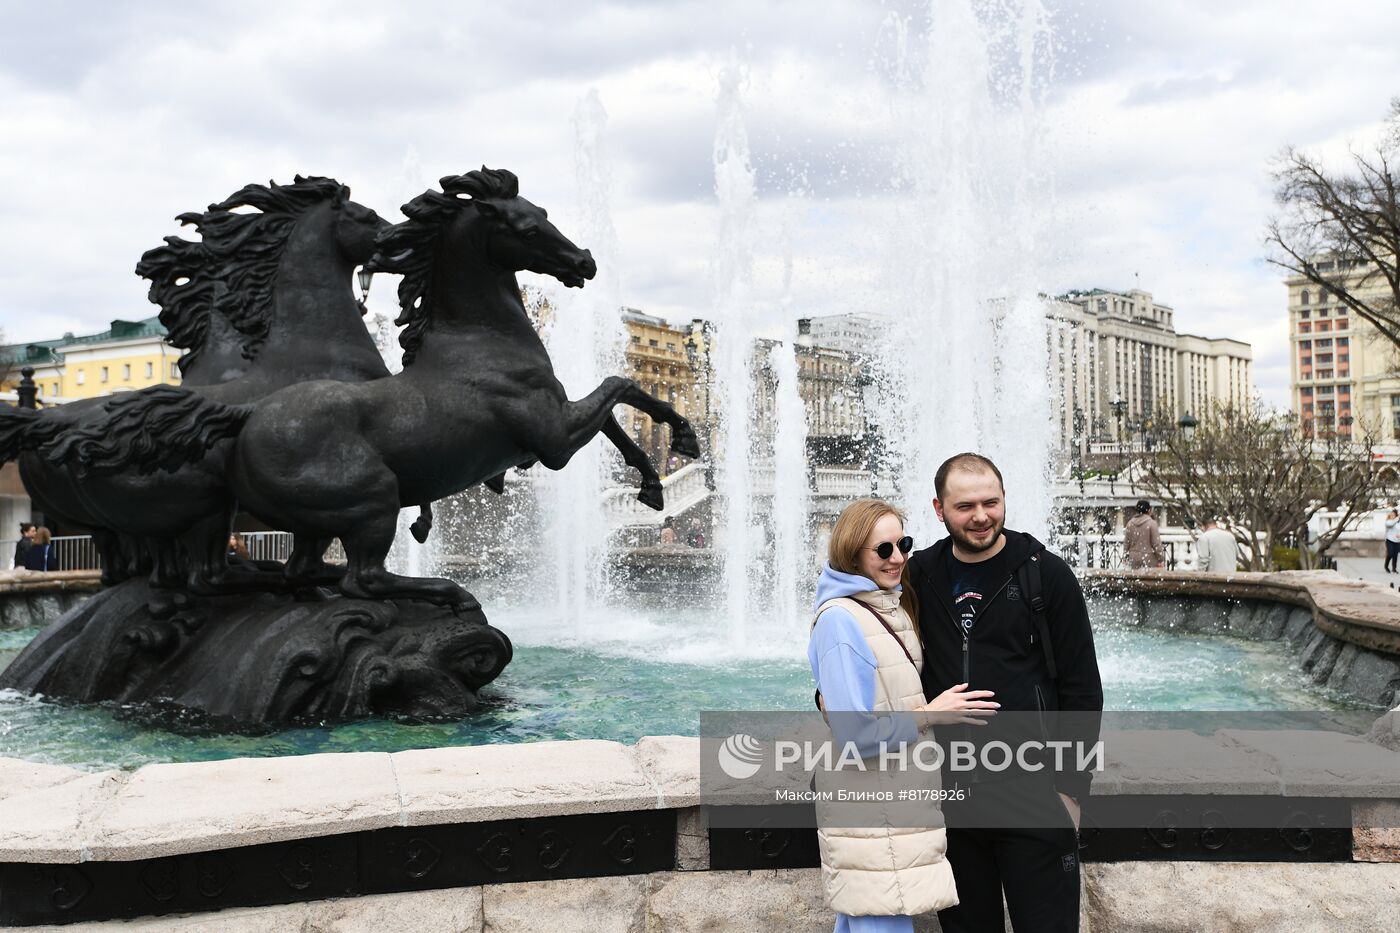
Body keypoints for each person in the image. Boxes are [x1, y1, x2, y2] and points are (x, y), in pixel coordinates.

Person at [906, 453, 1103, 933]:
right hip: (949, 798)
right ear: (939, 509)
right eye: (965, 506)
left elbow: (1082, 689)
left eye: (991, 502)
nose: (980, 516)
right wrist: (829, 696)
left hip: (1031, 795)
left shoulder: (1045, 574)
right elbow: (874, 648)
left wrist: (1071, 791)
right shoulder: (918, 575)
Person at [809, 498, 995, 932]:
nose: (898, 558)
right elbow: (855, 735)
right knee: (878, 919)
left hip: (893, 802)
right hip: (873, 808)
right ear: (853, 554)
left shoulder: (888, 607)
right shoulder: (841, 620)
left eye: (904, 544)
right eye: (884, 550)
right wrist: (930, 714)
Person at [1123, 499, 1164, 569]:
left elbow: (1126, 543)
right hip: (1149, 558)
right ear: (1148, 510)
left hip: (1133, 558)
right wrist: (1160, 559)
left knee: (1135, 579)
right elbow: (1156, 543)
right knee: (1149, 579)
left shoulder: (1130, 523)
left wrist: (1125, 556)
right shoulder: (1152, 523)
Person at [1385, 504, 1399, 575]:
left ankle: (1394, 569)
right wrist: (1398, 518)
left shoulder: (1398, 523)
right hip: (1389, 540)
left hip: (1397, 541)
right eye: (1391, 515)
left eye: (1394, 515)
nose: (1392, 516)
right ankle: (1386, 566)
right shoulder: (1388, 522)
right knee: (1390, 554)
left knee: (1395, 555)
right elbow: (1391, 524)